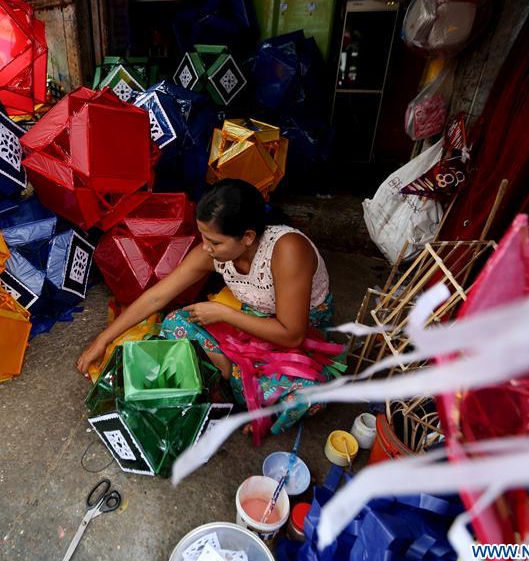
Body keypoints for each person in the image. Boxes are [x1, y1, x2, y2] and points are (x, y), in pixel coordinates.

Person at [77, 179, 338, 434]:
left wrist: (225, 314)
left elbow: (292, 334)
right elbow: (157, 297)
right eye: (204, 237)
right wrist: (103, 339)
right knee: (174, 323)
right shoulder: (211, 252)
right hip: (251, 323)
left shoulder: (288, 249)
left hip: (299, 337)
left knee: (305, 398)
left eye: (215, 242)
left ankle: (241, 382)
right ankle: (237, 377)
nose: (206, 248)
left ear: (247, 237)